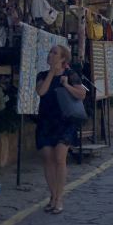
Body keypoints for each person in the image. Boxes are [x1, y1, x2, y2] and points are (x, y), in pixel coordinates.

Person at [36, 45, 85, 215]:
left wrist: (66, 86)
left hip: (65, 121)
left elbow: (81, 94)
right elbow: (41, 92)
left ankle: (59, 198)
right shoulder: (42, 76)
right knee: (48, 158)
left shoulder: (70, 75)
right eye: (50, 52)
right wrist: (51, 72)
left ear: (63, 59)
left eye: (55, 53)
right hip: (46, 121)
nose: (51, 55)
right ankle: (52, 195)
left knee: (59, 157)